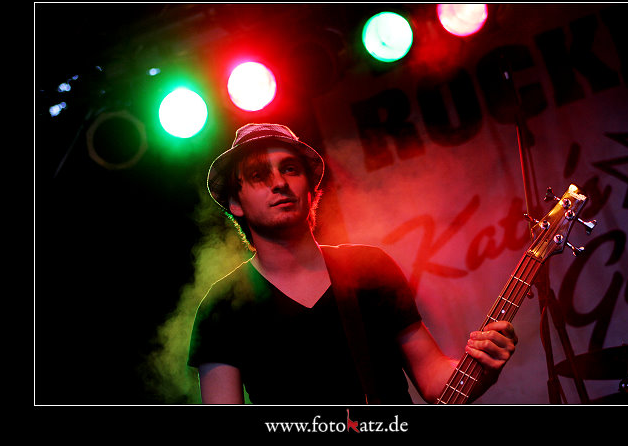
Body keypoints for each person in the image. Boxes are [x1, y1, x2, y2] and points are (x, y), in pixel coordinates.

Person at [187, 123, 518, 404]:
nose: (280, 183)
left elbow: (433, 380)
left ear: (310, 187)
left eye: (290, 169)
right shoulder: (222, 308)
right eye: (258, 174)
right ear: (235, 202)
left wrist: (482, 367)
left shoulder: (369, 267)